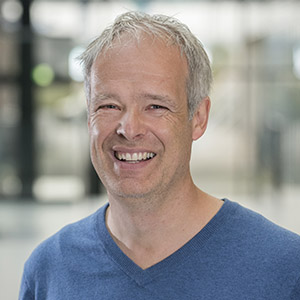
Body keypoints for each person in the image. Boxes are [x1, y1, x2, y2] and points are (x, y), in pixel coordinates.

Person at [19, 11, 300, 299]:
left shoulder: (285, 269)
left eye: (156, 106)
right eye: (109, 106)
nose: (129, 129)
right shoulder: (49, 270)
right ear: (89, 117)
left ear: (199, 118)